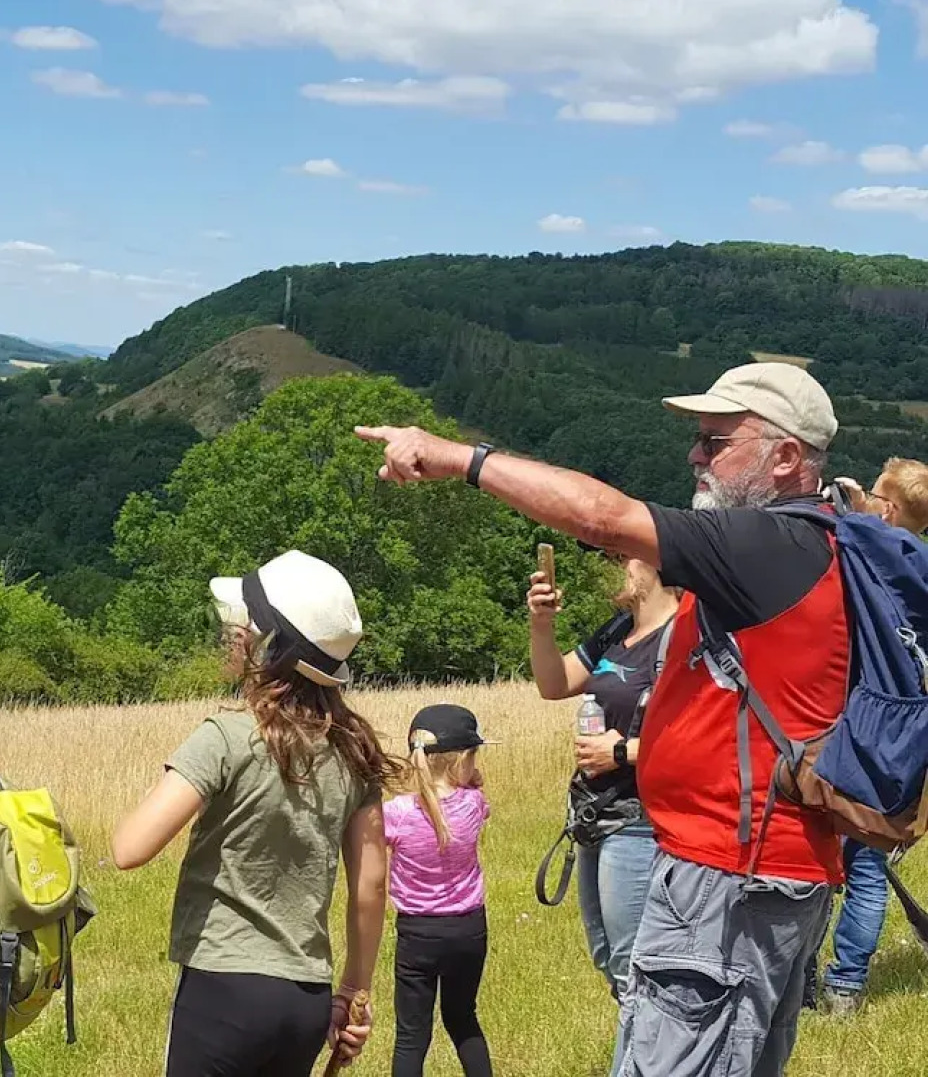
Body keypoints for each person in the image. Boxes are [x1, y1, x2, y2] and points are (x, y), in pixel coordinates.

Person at [358, 361, 849, 1077]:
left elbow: (600, 516)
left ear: (785, 458)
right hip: (765, 874)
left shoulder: (769, 546)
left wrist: (459, 458)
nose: (695, 456)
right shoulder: (820, 543)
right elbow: (558, 680)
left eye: (715, 442)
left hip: (728, 880)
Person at [111, 549, 391, 1076]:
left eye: (240, 625)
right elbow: (371, 886)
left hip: (222, 990)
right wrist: (356, 988)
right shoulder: (354, 753)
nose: (230, 633)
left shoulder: (226, 736)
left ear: (266, 644)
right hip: (306, 997)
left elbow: (129, 848)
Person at [528, 556, 679, 1012]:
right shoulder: (617, 630)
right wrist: (541, 625)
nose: (613, 564)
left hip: (641, 821)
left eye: (622, 555)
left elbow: (709, 737)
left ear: (659, 565)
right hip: (598, 814)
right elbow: (554, 684)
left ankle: (651, 1046)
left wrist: (623, 752)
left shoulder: (683, 637)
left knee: (633, 966)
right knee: (607, 957)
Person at [809, 457, 928, 1015]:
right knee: (868, 864)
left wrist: (849, 504)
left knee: (831, 861)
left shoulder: (889, 553)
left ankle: (814, 978)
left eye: (879, 496)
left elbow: (851, 529)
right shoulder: (915, 565)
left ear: (890, 508)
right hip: (904, 737)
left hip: (862, 729)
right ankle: (845, 986)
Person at [386, 703, 495, 1077]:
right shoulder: (474, 804)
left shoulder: (397, 813)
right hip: (469, 928)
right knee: (463, 1018)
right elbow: (481, 804)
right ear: (464, 759)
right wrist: (472, 781)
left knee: (411, 1036)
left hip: (417, 933)